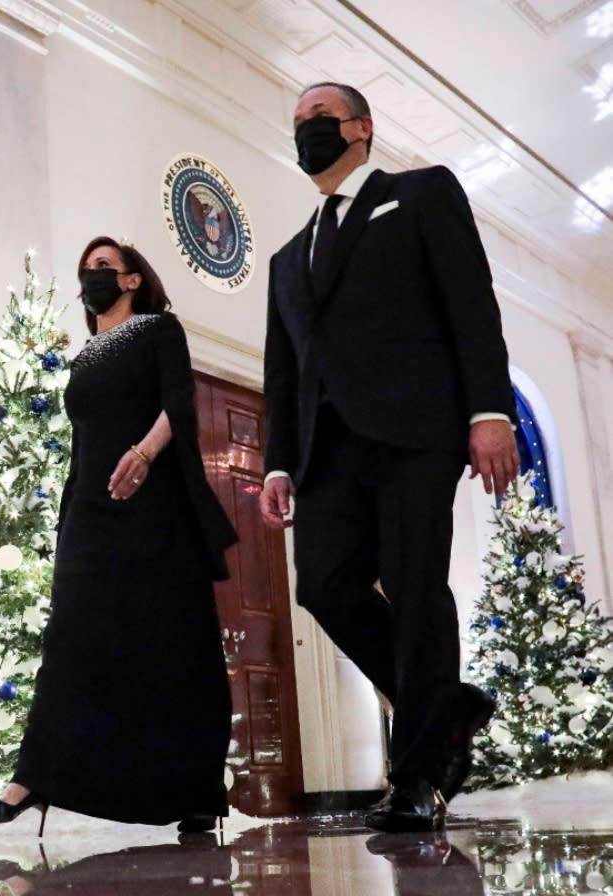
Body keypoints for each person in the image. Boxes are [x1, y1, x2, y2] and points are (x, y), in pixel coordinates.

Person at [260, 83, 519, 833]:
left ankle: (416, 777)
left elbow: (470, 302)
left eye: (320, 118)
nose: (306, 131)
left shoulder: (419, 193)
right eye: (298, 123)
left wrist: (489, 410)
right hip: (325, 447)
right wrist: (279, 462)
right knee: (325, 587)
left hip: (414, 431)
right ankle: (450, 708)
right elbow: (284, 372)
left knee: (413, 588)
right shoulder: (284, 259)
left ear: (361, 128)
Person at [0, 237, 237, 835]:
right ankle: (31, 778)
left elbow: (179, 403)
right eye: (85, 270)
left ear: (132, 279)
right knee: (73, 640)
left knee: (172, 643)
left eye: (102, 268)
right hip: (89, 511)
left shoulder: (158, 331)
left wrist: (143, 455)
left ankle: (194, 790)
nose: (91, 278)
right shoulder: (84, 355)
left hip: (154, 508)